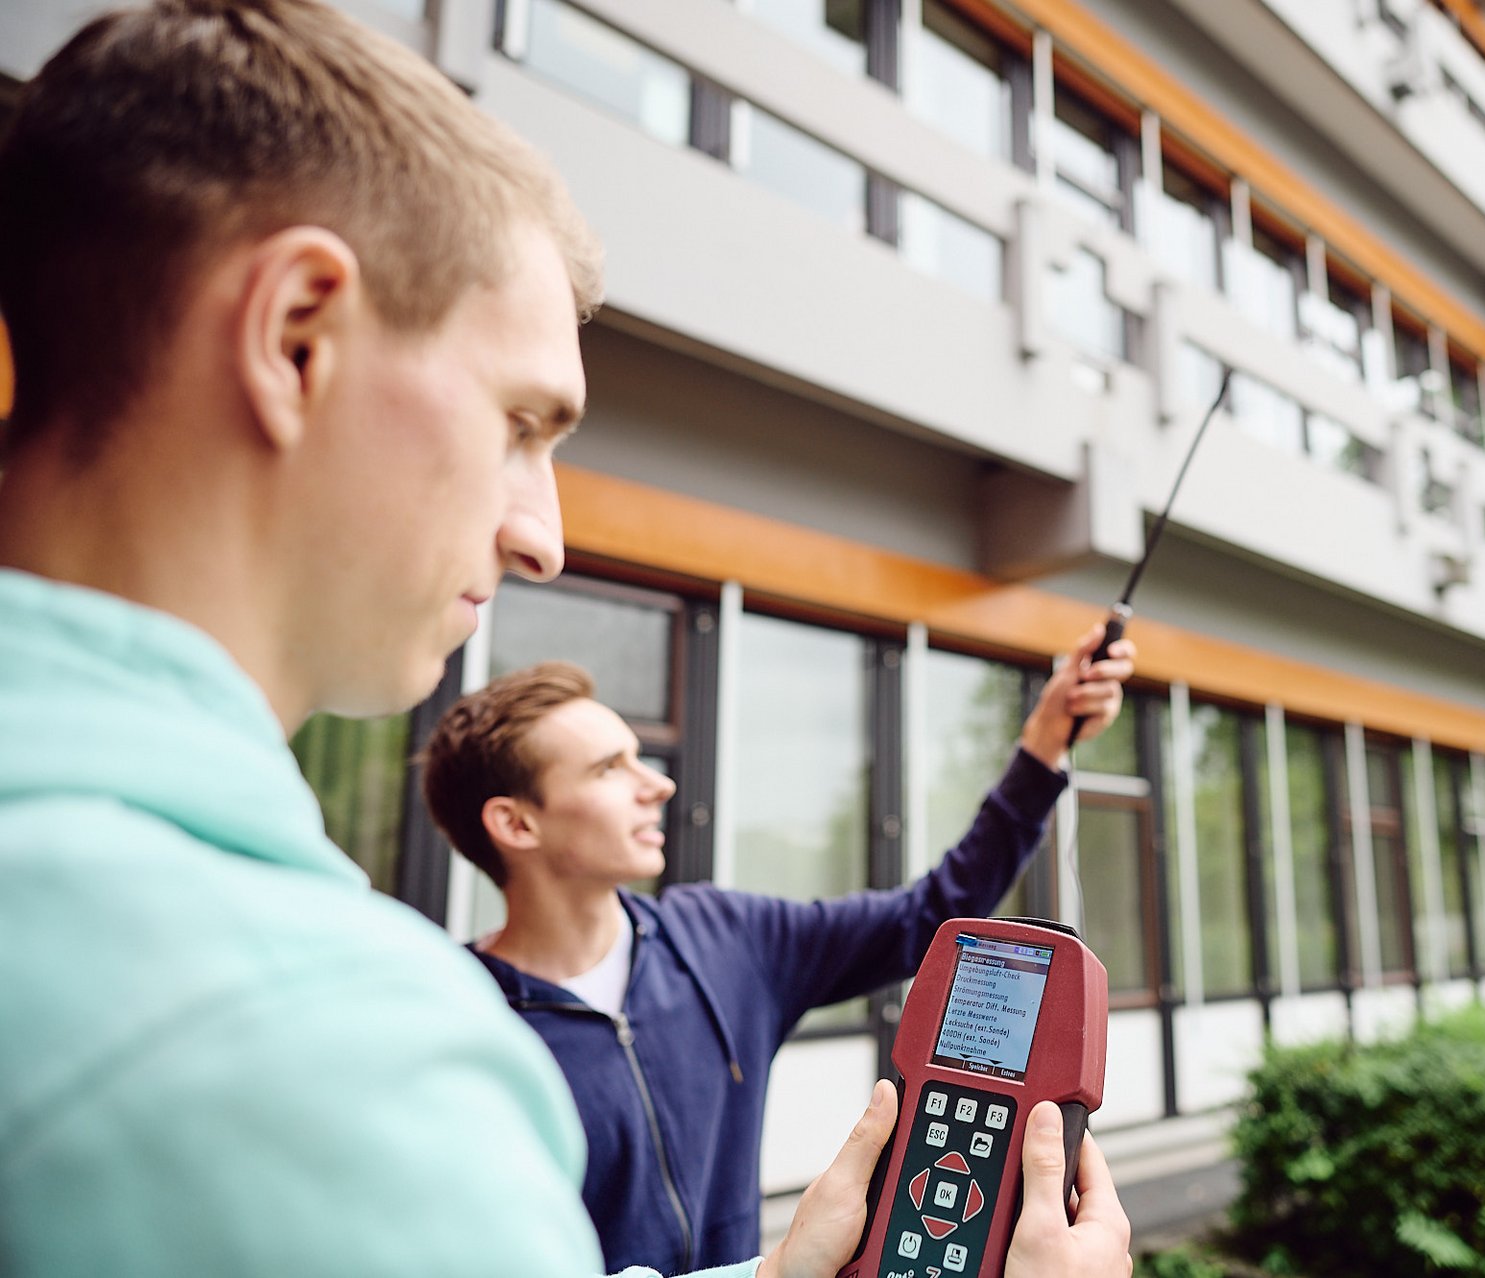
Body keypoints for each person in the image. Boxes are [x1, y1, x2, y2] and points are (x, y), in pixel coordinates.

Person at [0, 1, 1132, 1275]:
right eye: (524, 424)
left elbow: (937, 908)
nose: (542, 535)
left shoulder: (706, 946)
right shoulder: (322, 1043)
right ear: (296, 334)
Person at [421, 630, 1133, 1273]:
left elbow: (935, 912)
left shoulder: (728, 938)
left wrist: (1042, 748)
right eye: (610, 769)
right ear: (515, 823)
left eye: (642, 757)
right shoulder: (453, 1027)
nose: (658, 784)